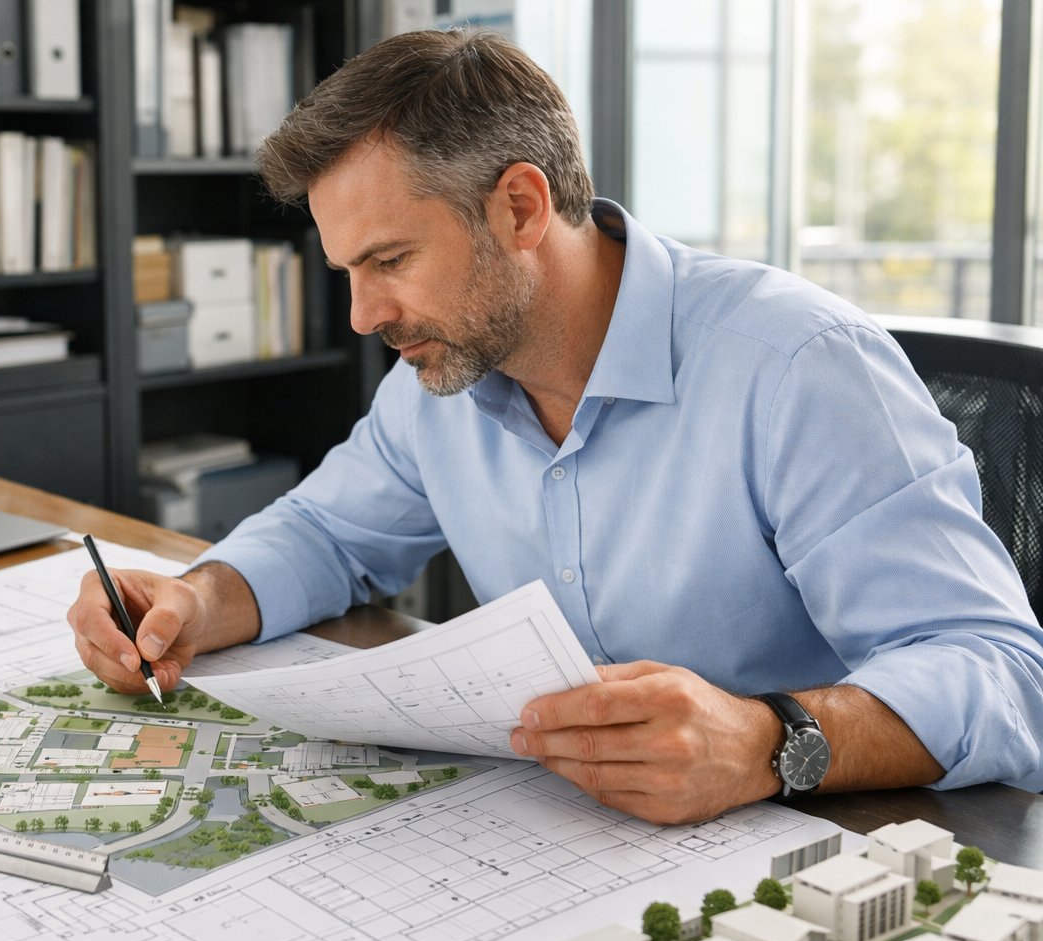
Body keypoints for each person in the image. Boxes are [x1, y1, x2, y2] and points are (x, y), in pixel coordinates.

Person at [69, 28, 1043, 824]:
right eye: (348, 272)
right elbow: (325, 533)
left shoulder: (800, 367)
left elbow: (999, 674)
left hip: (823, 838)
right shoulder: (441, 376)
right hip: (564, 833)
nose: (363, 316)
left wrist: (765, 739)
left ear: (521, 207)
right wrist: (197, 600)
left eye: (391, 261)